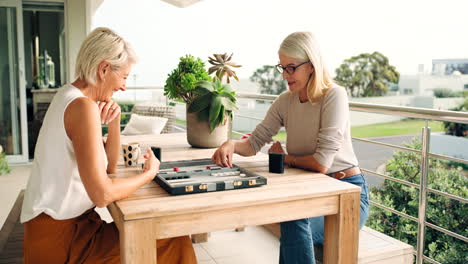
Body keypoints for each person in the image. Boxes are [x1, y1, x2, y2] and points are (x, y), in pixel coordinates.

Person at [21, 27, 197, 264]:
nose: (124, 86)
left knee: (167, 237)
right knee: (173, 239)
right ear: (104, 69)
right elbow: (103, 194)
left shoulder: (70, 95)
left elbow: (109, 167)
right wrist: (150, 174)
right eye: (124, 76)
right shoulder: (82, 107)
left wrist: (114, 123)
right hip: (62, 244)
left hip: (71, 230)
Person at [211, 31, 369, 264]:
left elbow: (321, 163)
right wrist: (231, 144)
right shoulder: (285, 101)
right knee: (291, 219)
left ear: (312, 65)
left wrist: (285, 159)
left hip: (346, 193)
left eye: (291, 67)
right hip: (309, 191)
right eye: (283, 68)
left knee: (293, 220)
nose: (285, 75)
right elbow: (255, 143)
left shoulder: (334, 96)